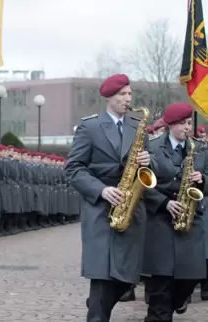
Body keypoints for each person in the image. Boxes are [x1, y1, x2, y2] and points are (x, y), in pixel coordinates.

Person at [64, 73, 154, 322]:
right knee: (102, 275)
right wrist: (101, 190)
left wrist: (148, 161)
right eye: (123, 94)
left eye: (130, 94)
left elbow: (146, 172)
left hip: (131, 208)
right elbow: (73, 168)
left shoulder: (138, 127)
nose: (128, 99)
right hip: (101, 208)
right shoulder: (90, 126)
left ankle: (96, 305)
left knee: (128, 276)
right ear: (109, 97)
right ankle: (97, 311)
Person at [142, 102, 208, 321]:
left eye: (189, 123)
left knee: (188, 281)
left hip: (190, 224)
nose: (187, 128)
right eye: (182, 124)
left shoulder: (199, 148)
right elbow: (141, 182)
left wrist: (202, 181)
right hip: (161, 222)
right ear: (170, 125)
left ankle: (176, 302)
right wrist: (164, 203)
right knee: (161, 288)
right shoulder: (152, 147)